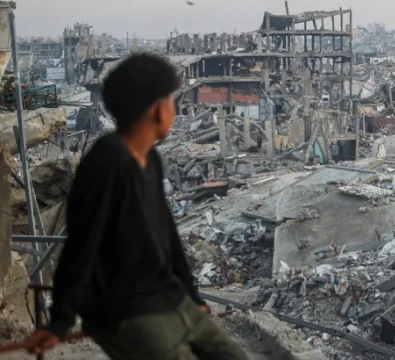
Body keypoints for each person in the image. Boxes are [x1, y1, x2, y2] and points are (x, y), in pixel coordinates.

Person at [23, 53, 248, 360]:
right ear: (157, 110)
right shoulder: (107, 162)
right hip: (124, 310)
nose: (175, 108)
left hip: (168, 298)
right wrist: (60, 321)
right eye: (171, 100)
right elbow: (82, 244)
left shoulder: (151, 159)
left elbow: (166, 233)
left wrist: (192, 295)